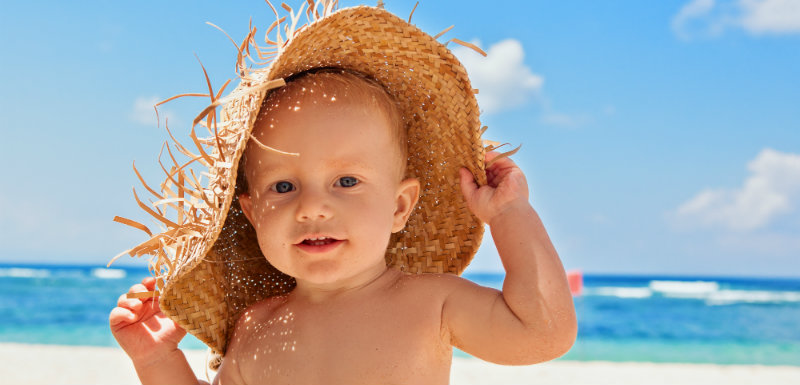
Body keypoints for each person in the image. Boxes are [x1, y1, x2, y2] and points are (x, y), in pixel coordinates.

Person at [109, 3, 576, 385]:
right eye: (284, 186)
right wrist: (156, 361)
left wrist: (511, 214)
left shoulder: (432, 303)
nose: (312, 207)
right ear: (252, 214)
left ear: (399, 206)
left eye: (347, 182)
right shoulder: (254, 327)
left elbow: (544, 333)